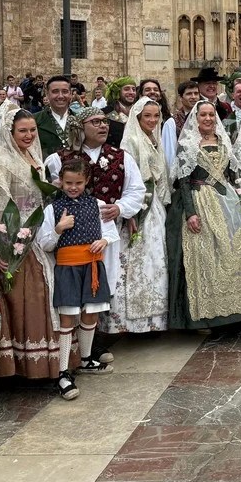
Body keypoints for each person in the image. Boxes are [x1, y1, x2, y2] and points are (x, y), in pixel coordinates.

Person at [0, 105, 71, 381]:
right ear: (9, 132)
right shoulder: (2, 160)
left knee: (48, 292)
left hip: (41, 228)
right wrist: (7, 244)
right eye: (22, 131)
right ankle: (28, 364)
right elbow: (0, 207)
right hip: (19, 232)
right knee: (32, 294)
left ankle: (54, 361)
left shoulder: (34, 155)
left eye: (32, 130)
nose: (28, 135)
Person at [169, 101, 241, 328]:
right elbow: (184, 182)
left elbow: (233, 174)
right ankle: (212, 317)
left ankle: (240, 312)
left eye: (211, 115)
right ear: (195, 118)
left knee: (240, 249)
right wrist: (190, 213)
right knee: (208, 253)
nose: (208, 119)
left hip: (227, 199)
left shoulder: (223, 141)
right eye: (203, 115)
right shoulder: (188, 145)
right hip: (201, 199)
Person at [37, 159, 120, 399]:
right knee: (68, 317)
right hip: (68, 268)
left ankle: (85, 359)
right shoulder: (52, 209)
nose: (73, 187)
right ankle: (63, 372)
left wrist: (103, 241)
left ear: (87, 182)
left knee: (91, 313)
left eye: (79, 183)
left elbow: (111, 232)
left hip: (92, 266)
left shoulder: (97, 204)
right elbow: (45, 244)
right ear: (61, 182)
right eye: (68, 183)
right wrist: (59, 228)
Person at [104, 97, 171, 334]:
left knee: (155, 260)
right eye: (147, 116)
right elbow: (125, 179)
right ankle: (129, 320)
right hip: (137, 207)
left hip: (154, 208)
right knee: (134, 261)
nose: (152, 121)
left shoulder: (155, 139)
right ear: (137, 117)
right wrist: (130, 212)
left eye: (156, 116)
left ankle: (155, 319)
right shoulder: (131, 141)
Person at [34, 76, 76, 158]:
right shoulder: (35, 120)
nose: (60, 96)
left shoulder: (81, 120)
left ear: (70, 94)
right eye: (55, 91)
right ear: (47, 94)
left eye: (65, 91)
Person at [161, 80, 199, 169]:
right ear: (180, 97)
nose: (193, 97)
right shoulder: (172, 123)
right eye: (189, 94)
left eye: (196, 93)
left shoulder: (206, 119)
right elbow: (169, 155)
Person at [104, 76, 139, 148]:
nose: (131, 92)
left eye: (134, 89)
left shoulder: (139, 112)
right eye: (126, 89)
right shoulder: (105, 112)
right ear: (118, 92)